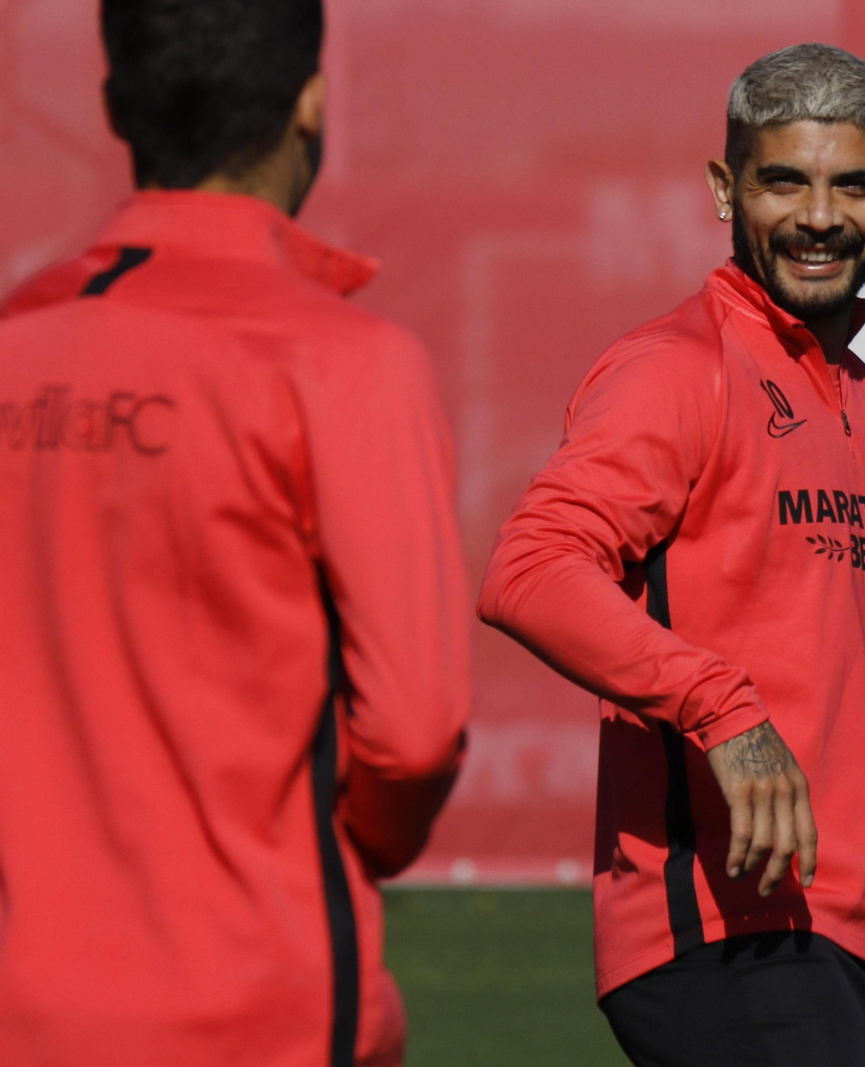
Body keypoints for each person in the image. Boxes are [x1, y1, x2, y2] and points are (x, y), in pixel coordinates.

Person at [0, 2, 471, 1064]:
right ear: (310, 100)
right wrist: (350, 846)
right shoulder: (343, 364)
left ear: (116, 103)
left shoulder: (16, 345)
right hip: (258, 1004)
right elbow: (414, 727)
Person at [479, 43, 865, 1067]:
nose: (820, 216)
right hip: (716, 930)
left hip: (841, 944)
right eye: (783, 182)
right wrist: (721, 705)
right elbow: (530, 566)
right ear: (725, 189)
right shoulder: (676, 368)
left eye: (852, 184)